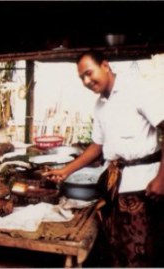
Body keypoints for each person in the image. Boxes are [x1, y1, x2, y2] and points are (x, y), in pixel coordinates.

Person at [44, 50, 164, 267]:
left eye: (89, 73)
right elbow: (96, 147)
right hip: (114, 188)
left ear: (106, 65)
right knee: (117, 249)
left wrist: (162, 178)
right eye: (82, 78)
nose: (87, 81)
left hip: (144, 186)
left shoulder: (136, 90)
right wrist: (65, 171)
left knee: (141, 252)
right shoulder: (100, 106)